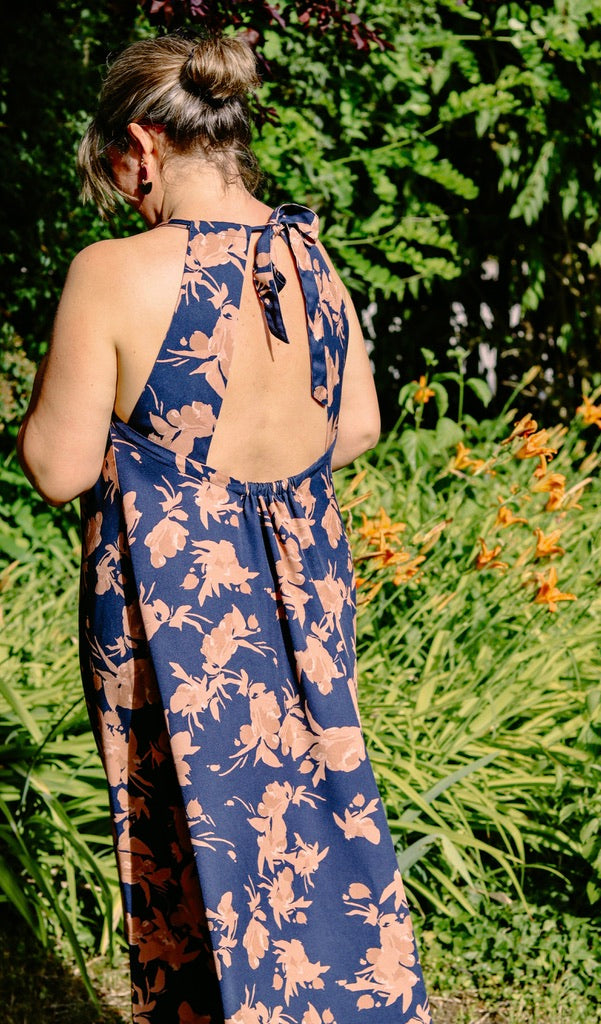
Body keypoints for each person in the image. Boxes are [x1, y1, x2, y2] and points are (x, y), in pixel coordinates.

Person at [18, 33, 432, 1024]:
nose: (126, 201)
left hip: (179, 608)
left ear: (141, 146)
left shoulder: (114, 272)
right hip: (304, 587)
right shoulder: (308, 256)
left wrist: (176, 476)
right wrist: (258, 476)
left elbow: (57, 467)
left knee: (190, 840)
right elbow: (359, 425)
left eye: (118, 174)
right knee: (320, 823)